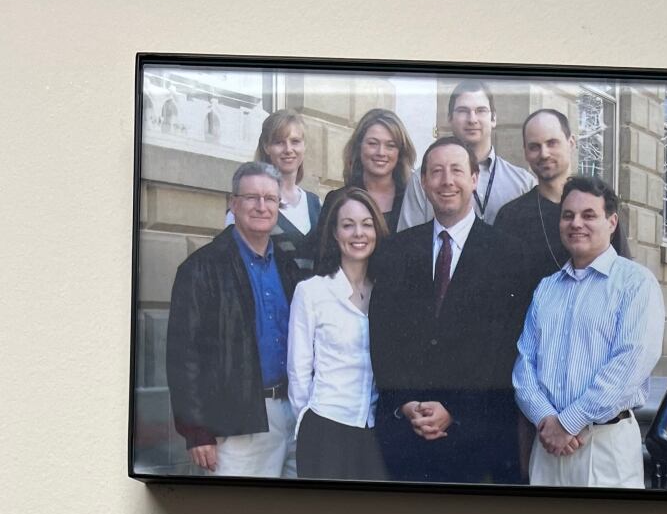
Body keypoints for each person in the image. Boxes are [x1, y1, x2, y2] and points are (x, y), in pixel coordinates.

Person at [370, 138, 532, 485]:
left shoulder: (508, 254)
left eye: (457, 170)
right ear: (424, 182)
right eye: (436, 172)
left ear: (474, 179)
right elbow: (382, 337)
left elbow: (505, 347)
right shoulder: (396, 251)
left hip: (477, 436)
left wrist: (454, 409)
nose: (447, 181)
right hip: (406, 436)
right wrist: (406, 404)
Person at [513, 174, 666, 489]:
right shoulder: (546, 289)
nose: (575, 223)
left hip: (605, 445)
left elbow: (631, 362)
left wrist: (569, 422)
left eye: (588, 215)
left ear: (611, 222)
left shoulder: (636, 283)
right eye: (568, 215)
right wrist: (546, 419)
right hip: (548, 445)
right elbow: (524, 363)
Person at [166, 162, 303, 477]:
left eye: (270, 199)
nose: (261, 206)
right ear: (233, 202)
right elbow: (183, 357)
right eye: (251, 197)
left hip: (292, 412)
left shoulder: (287, 267)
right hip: (237, 420)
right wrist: (196, 431)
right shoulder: (201, 268)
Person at [287, 188, 389, 481]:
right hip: (326, 427)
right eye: (348, 225)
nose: (359, 233)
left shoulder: (385, 292)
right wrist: (307, 420)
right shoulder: (312, 291)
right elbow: (298, 370)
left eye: (367, 224)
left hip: (372, 431)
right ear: (334, 232)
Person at [494, 109, 630, 286]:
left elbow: (624, 272)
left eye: (552, 143)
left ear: (571, 142)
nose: (544, 154)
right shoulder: (511, 217)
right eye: (534, 146)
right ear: (525, 152)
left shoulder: (598, 205)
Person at [398, 79, 534, 230]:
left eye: (480, 111)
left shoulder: (524, 183)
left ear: (493, 118)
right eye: (463, 111)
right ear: (449, 118)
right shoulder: (423, 181)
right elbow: (408, 244)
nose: (472, 119)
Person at [317, 108, 416, 240]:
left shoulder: (412, 200)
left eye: (390, 145)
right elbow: (323, 255)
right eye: (372, 143)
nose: (381, 152)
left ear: (400, 152)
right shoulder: (336, 200)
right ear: (358, 147)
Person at [255, 109, 321, 262]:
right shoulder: (252, 203)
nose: (288, 149)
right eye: (279, 142)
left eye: (295, 141)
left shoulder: (317, 205)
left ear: (304, 146)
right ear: (266, 147)